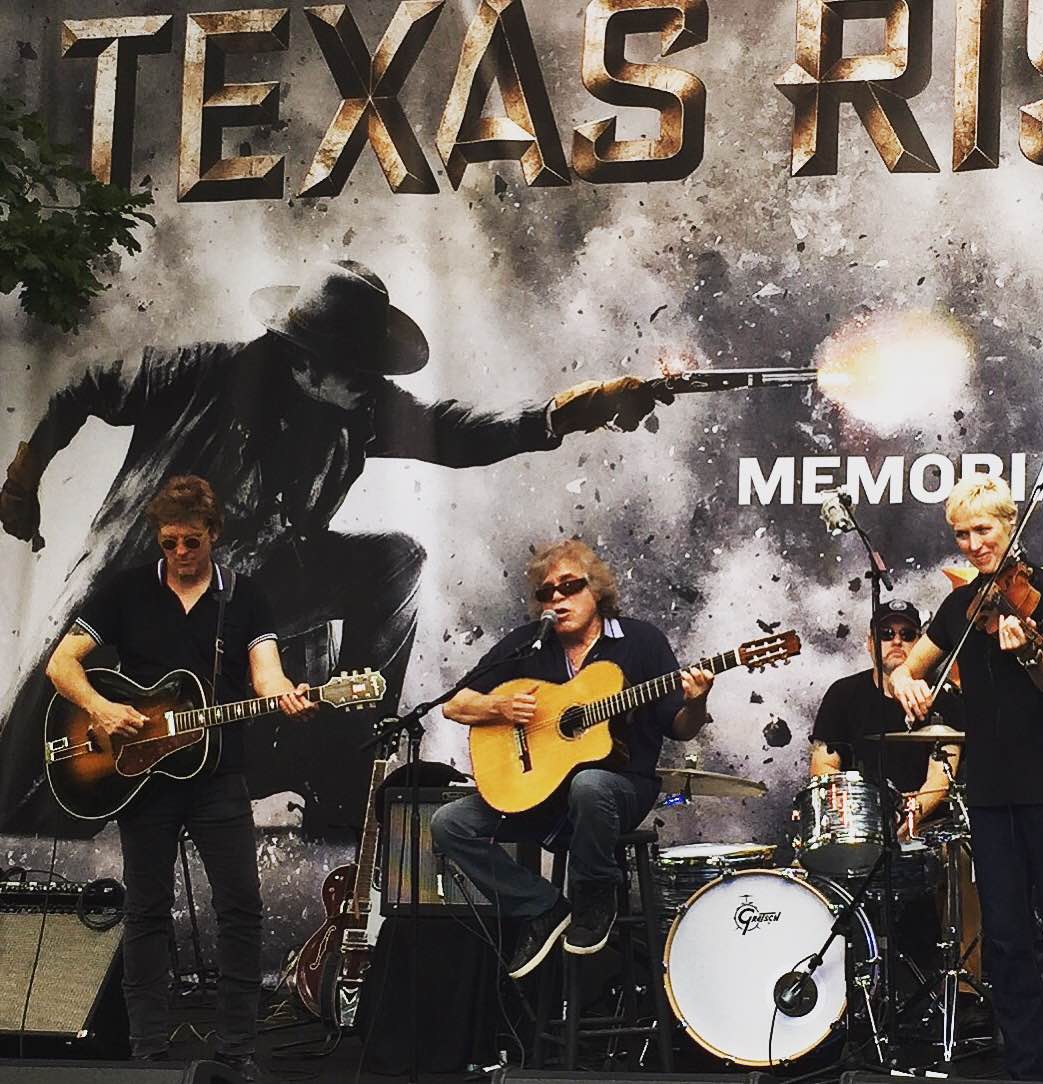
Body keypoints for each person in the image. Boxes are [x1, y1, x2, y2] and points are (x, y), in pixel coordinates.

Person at [0, 259, 671, 835]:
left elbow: (460, 433)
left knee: (397, 561)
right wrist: (22, 482)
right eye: (356, 372)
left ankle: (341, 762)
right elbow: (80, 388)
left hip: (256, 591)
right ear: (302, 358)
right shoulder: (200, 372)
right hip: (139, 582)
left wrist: (572, 411)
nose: (370, 386)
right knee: (38, 750)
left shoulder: (362, 410)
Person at [44, 475, 316, 1079]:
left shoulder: (243, 598)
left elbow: (265, 676)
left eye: (191, 541)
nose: (179, 554)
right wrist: (101, 708)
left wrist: (288, 695)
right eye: (168, 543)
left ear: (213, 535)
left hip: (218, 775)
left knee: (241, 905)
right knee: (146, 910)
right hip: (142, 777)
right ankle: (147, 1051)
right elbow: (62, 664)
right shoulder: (125, 592)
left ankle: (236, 1049)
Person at [431, 539, 714, 979]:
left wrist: (696, 702)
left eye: (569, 587)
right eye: (547, 593)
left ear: (596, 589)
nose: (558, 599)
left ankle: (594, 893)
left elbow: (679, 726)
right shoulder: (530, 644)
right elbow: (454, 703)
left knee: (590, 784)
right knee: (449, 824)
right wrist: (499, 709)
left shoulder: (641, 641)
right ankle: (543, 907)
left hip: (619, 789)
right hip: (544, 792)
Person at [888, 474, 1043, 1080]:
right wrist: (909, 683)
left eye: (984, 530)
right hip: (992, 793)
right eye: (962, 534)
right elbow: (906, 671)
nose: (974, 543)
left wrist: (1028, 652)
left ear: (1009, 524)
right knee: (1004, 939)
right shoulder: (958, 606)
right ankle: (1030, 1069)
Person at [811, 598, 962, 837]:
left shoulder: (943, 695)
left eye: (908, 634)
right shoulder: (842, 694)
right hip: (859, 828)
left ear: (920, 643)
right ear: (870, 643)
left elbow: (941, 777)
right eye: (886, 633)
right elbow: (824, 763)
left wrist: (910, 816)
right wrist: (847, 810)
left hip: (924, 832)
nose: (897, 641)